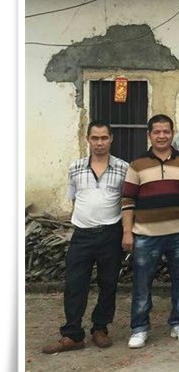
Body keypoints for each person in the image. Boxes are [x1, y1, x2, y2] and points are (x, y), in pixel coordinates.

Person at [42, 121, 129, 354]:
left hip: (111, 233)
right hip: (82, 234)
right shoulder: (76, 167)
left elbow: (126, 202)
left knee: (108, 283)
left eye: (104, 138)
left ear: (111, 139)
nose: (99, 143)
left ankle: (100, 329)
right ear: (88, 139)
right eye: (95, 138)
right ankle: (72, 334)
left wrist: (126, 232)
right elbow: (74, 199)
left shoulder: (123, 168)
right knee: (75, 284)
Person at [122, 114, 179, 349]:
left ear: (172, 133)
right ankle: (139, 328)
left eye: (166, 131)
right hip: (146, 234)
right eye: (157, 132)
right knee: (142, 284)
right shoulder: (137, 164)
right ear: (149, 135)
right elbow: (127, 201)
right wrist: (127, 232)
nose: (162, 136)